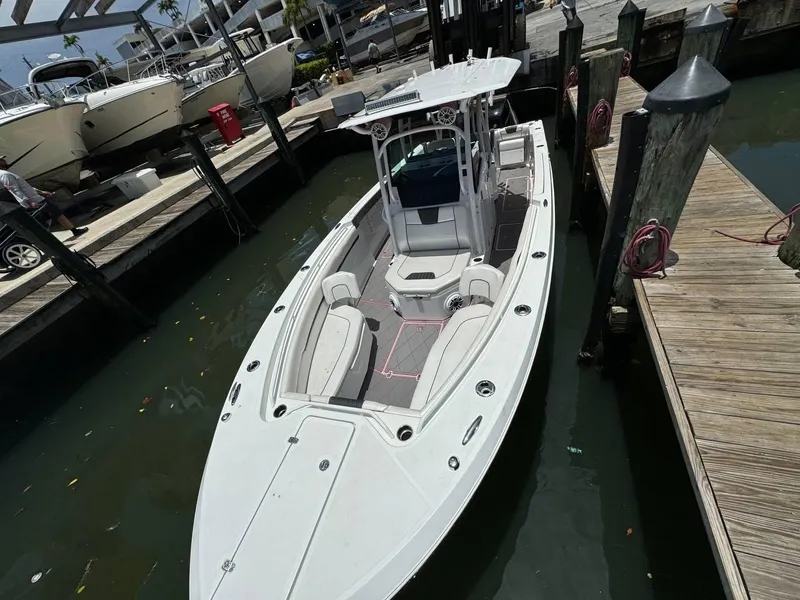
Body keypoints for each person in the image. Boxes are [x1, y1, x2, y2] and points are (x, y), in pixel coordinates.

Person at [0, 156, 87, 238]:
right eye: (2, 160)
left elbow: (25, 187)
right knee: (57, 214)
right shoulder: (5, 175)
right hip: (35, 200)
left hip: (35, 198)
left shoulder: (5, 174)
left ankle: (55, 236)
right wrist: (28, 201)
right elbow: (15, 190)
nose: (5, 161)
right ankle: (74, 231)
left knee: (48, 218)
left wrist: (41, 192)